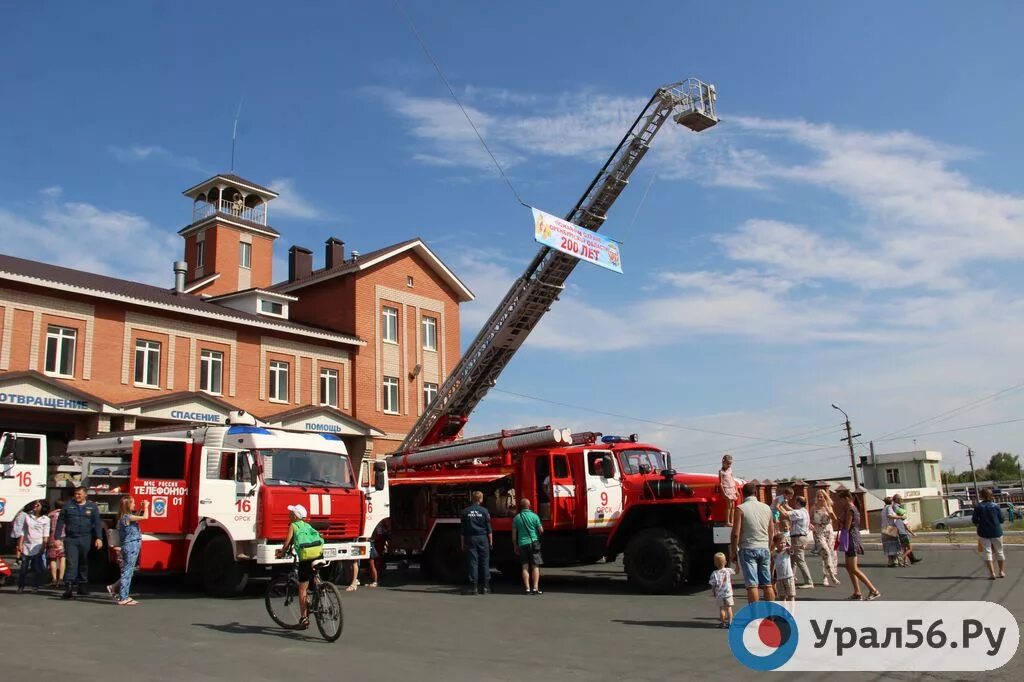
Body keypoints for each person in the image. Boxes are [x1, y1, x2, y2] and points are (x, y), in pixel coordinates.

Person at [730, 482, 776, 603]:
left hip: (748, 548)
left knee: (752, 585)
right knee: (767, 584)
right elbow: (771, 531)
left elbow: (735, 533)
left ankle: (755, 616)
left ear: (742, 494)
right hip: (764, 547)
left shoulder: (740, 509)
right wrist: (769, 546)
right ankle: (771, 614)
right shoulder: (767, 508)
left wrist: (734, 551)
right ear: (756, 493)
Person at [55, 486, 103, 599]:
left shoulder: (92, 506)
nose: (77, 496)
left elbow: (97, 523)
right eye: (76, 494)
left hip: (86, 538)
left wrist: (99, 538)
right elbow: (60, 521)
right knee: (72, 562)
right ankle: (69, 588)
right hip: (71, 539)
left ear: (85, 494)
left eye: (80, 494)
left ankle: (82, 586)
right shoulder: (67, 505)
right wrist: (57, 537)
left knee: (84, 562)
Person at [836, 489, 880, 600]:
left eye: (841, 500)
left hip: (851, 538)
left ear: (846, 499)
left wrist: (839, 521)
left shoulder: (850, 509)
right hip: (851, 537)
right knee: (848, 567)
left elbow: (847, 526)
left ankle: (873, 590)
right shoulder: (850, 508)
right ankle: (857, 592)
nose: (839, 502)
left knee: (854, 568)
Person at [106, 496, 149, 606]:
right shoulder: (127, 517)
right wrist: (147, 507)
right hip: (131, 546)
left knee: (128, 571)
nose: (134, 505)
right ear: (128, 505)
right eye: (133, 503)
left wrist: (140, 508)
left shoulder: (125, 517)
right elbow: (145, 517)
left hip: (130, 546)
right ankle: (123, 597)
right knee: (127, 572)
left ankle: (118, 590)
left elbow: (137, 516)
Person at [277, 504, 314, 629]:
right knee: (314, 576)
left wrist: (282, 553)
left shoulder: (293, 526)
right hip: (317, 556)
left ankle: (304, 618)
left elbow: (287, 542)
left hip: (305, 558)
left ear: (295, 516)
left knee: (302, 589)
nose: (289, 514)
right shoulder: (308, 525)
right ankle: (321, 591)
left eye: (291, 513)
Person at [460, 491, 492, 595]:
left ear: (472, 499)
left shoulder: (465, 511)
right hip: (483, 538)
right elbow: (489, 529)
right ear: (481, 499)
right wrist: (490, 542)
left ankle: (474, 588)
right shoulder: (484, 511)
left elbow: (462, 531)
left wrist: (462, 544)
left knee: (473, 562)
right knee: (484, 562)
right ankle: (486, 587)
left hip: (471, 538)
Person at [511, 497, 544, 595]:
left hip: (522, 544)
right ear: (529, 505)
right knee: (535, 566)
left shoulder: (516, 518)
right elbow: (541, 530)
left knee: (524, 566)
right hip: (533, 543)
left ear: (520, 506)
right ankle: (535, 588)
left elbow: (514, 535)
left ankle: (527, 589)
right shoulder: (535, 516)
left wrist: (515, 545)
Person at [16, 500, 49, 593]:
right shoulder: (27, 516)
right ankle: (20, 586)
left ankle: (35, 586)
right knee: (23, 567)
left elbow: (45, 535)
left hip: (38, 545)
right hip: (27, 545)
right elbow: (23, 531)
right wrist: (20, 543)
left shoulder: (45, 519)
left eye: (38, 505)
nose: (36, 506)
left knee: (36, 568)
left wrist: (43, 546)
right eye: (35, 504)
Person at [972, 488, 1005, 580]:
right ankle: (1001, 571)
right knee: (999, 551)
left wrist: (979, 523)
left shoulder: (978, 507)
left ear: (981, 496)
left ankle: (992, 573)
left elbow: (974, 520)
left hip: (983, 532)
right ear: (991, 495)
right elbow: (1002, 519)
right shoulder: (996, 506)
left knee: (987, 552)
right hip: (996, 531)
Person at [811, 489, 840, 587]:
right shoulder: (814, 507)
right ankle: (831, 576)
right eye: (818, 496)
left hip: (828, 530)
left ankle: (827, 575)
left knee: (831, 553)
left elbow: (835, 519)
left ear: (825, 497)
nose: (820, 498)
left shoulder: (828, 506)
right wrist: (810, 525)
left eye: (821, 496)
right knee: (825, 552)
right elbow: (810, 519)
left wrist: (829, 511)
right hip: (818, 531)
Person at [787, 495, 814, 589]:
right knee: (793, 559)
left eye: (795, 502)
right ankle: (791, 578)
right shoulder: (804, 511)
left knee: (800, 560)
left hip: (798, 538)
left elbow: (786, 514)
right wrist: (786, 505)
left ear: (798, 503)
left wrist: (778, 507)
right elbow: (792, 511)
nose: (794, 503)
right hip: (800, 537)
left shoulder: (798, 513)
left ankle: (809, 582)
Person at [890, 494, 922, 564]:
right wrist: (913, 533)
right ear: (897, 499)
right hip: (902, 532)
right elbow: (906, 525)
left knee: (905, 548)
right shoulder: (896, 507)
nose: (901, 500)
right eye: (900, 499)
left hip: (901, 531)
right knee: (908, 548)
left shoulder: (897, 508)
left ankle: (907, 561)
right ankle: (902, 558)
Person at [708, 552, 735, 628]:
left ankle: (723, 623)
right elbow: (737, 571)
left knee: (722, 609)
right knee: (729, 608)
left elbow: (713, 585)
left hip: (719, 594)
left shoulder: (714, 573)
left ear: (715, 563)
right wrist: (737, 564)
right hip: (728, 593)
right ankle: (730, 623)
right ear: (725, 562)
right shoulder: (728, 570)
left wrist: (714, 592)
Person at [772, 532, 795, 606]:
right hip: (779, 578)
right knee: (782, 597)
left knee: (791, 596)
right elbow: (772, 565)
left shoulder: (786, 551)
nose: (783, 545)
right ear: (775, 544)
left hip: (788, 577)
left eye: (784, 543)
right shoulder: (774, 554)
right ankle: (784, 613)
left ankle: (792, 613)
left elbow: (791, 550)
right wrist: (772, 576)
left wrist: (788, 546)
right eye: (780, 543)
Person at [47, 500, 66, 588]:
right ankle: (61, 578)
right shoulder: (66, 514)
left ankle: (54, 579)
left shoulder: (50, 515)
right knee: (62, 557)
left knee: (53, 559)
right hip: (63, 537)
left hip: (52, 537)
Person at [880, 496, 902, 567]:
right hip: (890, 528)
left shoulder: (884, 508)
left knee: (888, 545)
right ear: (891, 501)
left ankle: (890, 561)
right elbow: (889, 516)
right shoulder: (889, 507)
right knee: (894, 544)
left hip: (885, 528)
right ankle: (895, 561)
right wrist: (900, 517)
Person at [719, 455, 738, 526]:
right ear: (723, 462)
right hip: (726, 489)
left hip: (732, 488)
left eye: (730, 464)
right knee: (729, 505)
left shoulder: (730, 470)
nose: (729, 465)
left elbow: (732, 479)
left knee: (733, 505)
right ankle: (727, 521)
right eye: (728, 463)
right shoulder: (721, 472)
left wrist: (736, 490)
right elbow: (720, 483)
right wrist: (724, 493)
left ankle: (732, 521)